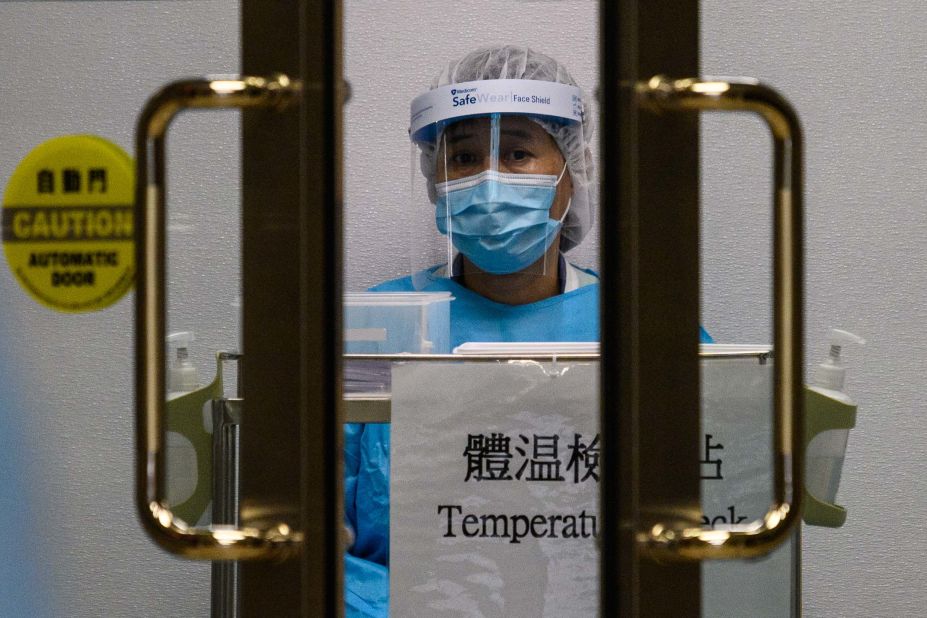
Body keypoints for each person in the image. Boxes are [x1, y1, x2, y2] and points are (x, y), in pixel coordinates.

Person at [344, 45, 710, 616]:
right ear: (435, 180)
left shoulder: (647, 331)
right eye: (463, 158)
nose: (489, 183)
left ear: (572, 175)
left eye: (517, 153)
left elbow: (710, 514)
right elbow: (313, 536)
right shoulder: (374, 327)